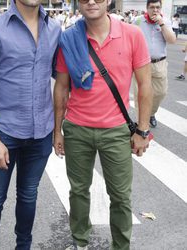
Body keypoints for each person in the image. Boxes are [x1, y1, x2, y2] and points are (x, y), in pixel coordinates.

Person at [53, 0, 153, 249]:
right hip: (77, 128)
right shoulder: (70, 38)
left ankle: (121, 246)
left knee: (120, 196)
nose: (91, 1)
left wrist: (142, 130)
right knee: (78, 192)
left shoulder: (132, 35)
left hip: (117, 131)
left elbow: (145, 86)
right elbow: (62, 87)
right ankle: (80, 242)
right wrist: (58, 131)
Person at [0, 0, 61, 248]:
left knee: (28, 195)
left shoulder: (54, 29)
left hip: (41, 132)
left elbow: (62, 78)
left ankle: (24, 245)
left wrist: (58, 129)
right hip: (5, 133)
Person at [133, 0, 176, 128]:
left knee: (161, 92)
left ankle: (150, 113)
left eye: (158, 7)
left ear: (161, 8)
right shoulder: (138, 20)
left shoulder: (165, 21)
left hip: (159, 63)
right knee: (139, 94)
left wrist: (161, 24)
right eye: (152, 7)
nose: (155, 10)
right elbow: (131, 37)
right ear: (147, 8)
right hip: (141, 63)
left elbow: (172, 40)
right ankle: (141, 121)